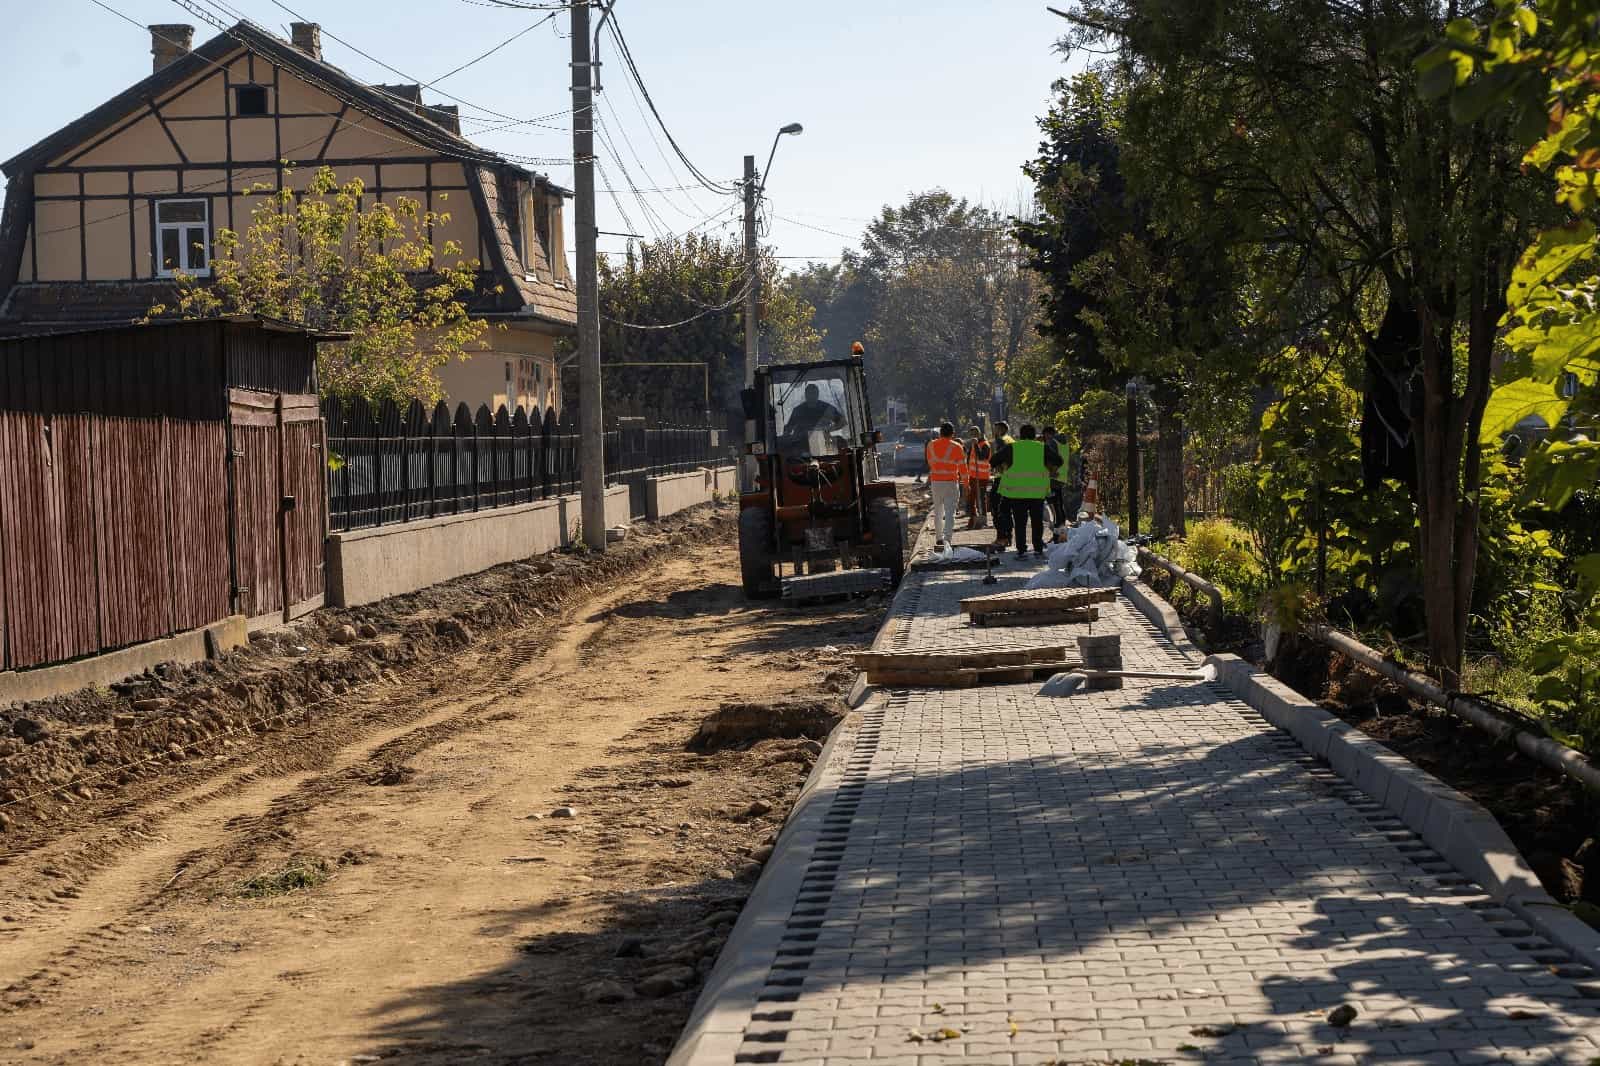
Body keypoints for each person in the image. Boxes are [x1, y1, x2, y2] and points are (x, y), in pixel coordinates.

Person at [991, 423, 1059, 559]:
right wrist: (1049, 468)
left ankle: (1022, 551)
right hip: (1037, 492)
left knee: (1020, 523)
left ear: (1021, 435)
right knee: (1037, 521)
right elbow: (1058, 460)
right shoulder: (1042, 448)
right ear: (1034, 436)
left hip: (1017, 493)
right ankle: (1038, 549)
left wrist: (1003, 466)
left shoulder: (1012, 448)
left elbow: (993, 460)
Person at [925, 421, 967, 549]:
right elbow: (963, 468)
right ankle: (947, 539)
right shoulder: (957, 447)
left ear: (940, 433)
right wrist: (966, 484)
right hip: (950, 482)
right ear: (953, 433)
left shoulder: (930, 445)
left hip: (936, 482)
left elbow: (930, 463)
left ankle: (938, 538)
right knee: (950, 512)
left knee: (938, 510)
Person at [988, 420, 1015, 547]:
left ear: (1002, 429)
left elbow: (998, 459)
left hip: (1001, 479)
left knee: (996, 508)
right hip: (1011, 478)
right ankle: (1008, 537)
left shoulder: (1000, 441)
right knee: (1006, 509)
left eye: (996, 429)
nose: (995, 432)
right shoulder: (1011, 440)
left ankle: (1001, 537)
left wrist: (995, 466)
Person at [1041, 426, 1069, 528]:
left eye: (1045, 435)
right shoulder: (1064, 443)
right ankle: (1062, 527)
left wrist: (1051, 472)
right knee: (1059, 505)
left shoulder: (1052, 443)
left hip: (1053, 477)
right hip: (1062, 477)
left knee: (1053, 505)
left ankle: (1057, 530)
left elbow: (1050, 459)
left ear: (1048, 434)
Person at [965, 425, 991, 529]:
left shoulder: (985, 444)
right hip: (973, 476)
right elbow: (969, 460)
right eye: (971, 434)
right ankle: (973, 519)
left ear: (979, 433)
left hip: (982, 476)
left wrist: (975, 445)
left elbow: (982, 457)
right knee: (971, 498)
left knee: (981, 497)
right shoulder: (973, 445)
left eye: (975, 433)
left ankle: (983, 519)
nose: (973, 436)